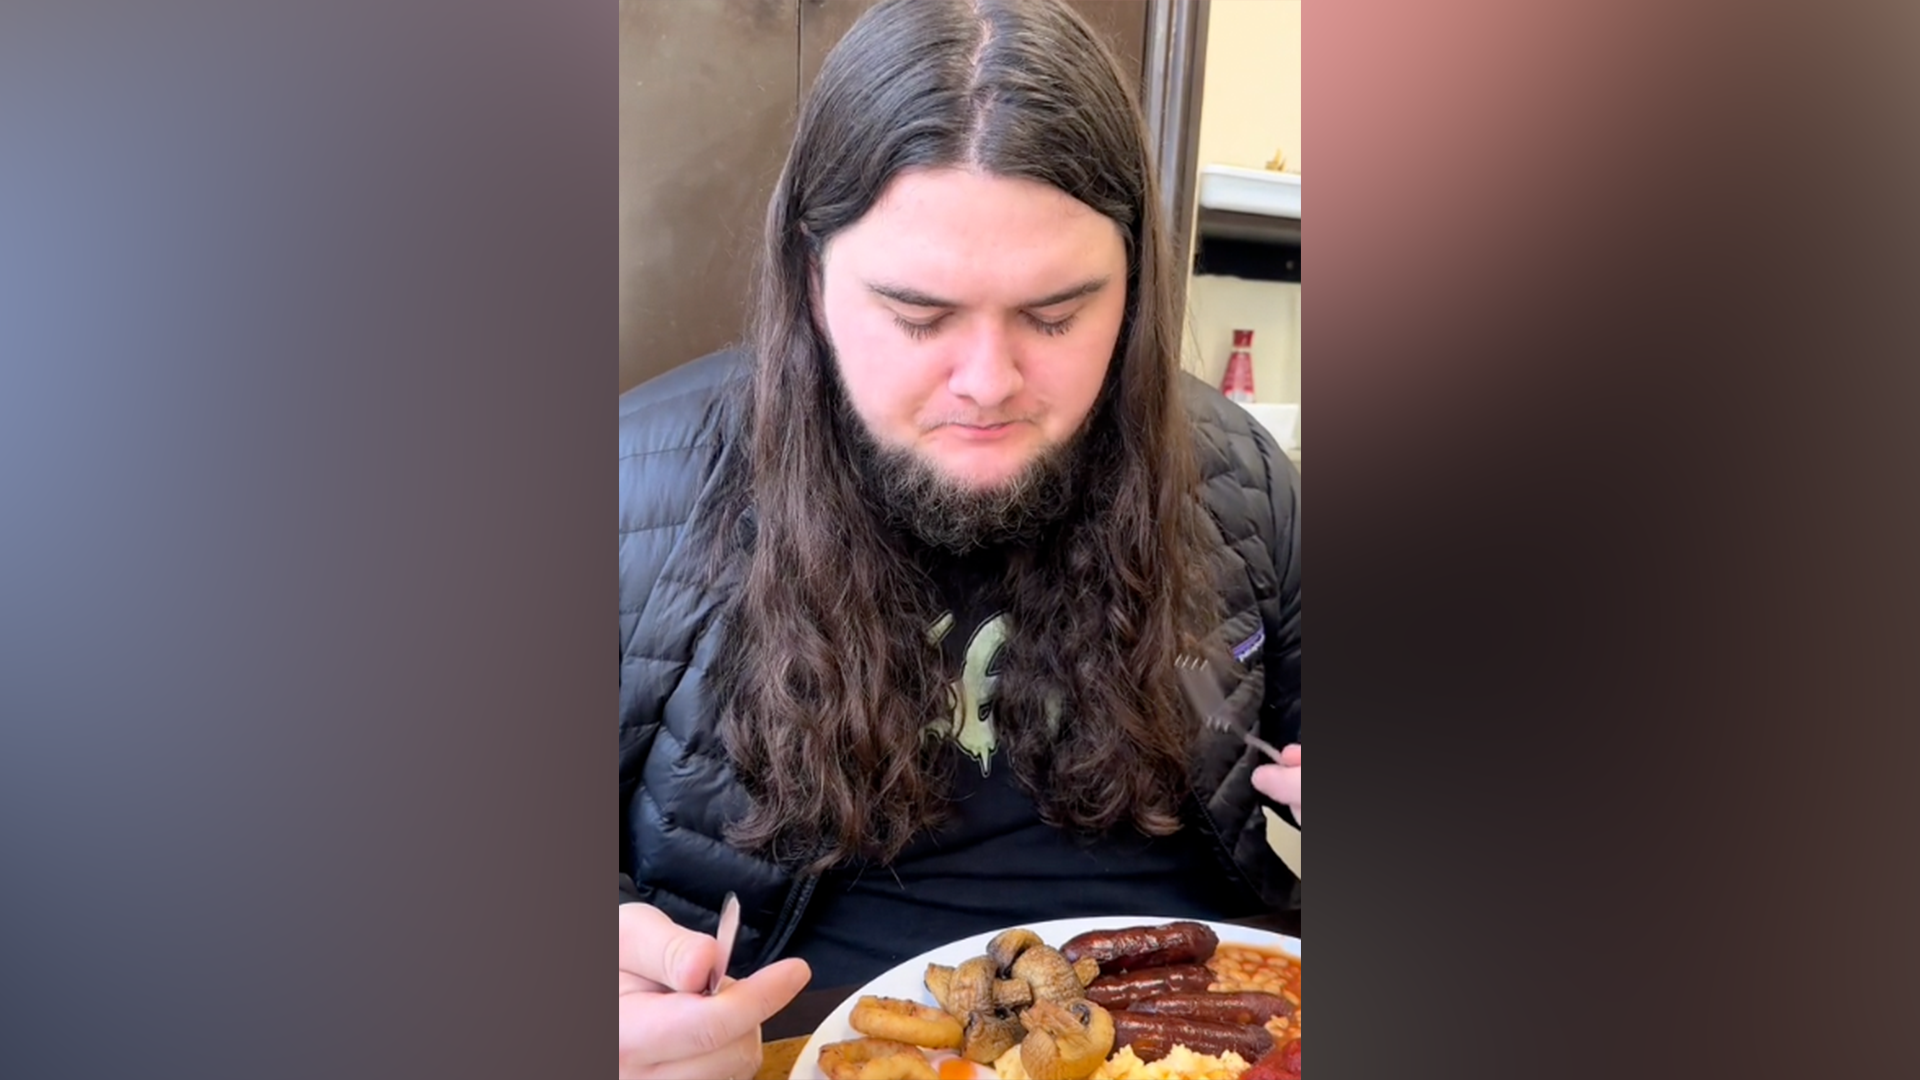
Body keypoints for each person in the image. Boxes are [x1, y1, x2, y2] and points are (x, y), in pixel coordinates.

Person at [616, 1, 1300, 1076]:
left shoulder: (1241, 479)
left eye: (1059, 314)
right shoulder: (634, 489)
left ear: (1134, 290)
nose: (987, 383)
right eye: (919, 316)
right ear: (812, 282)